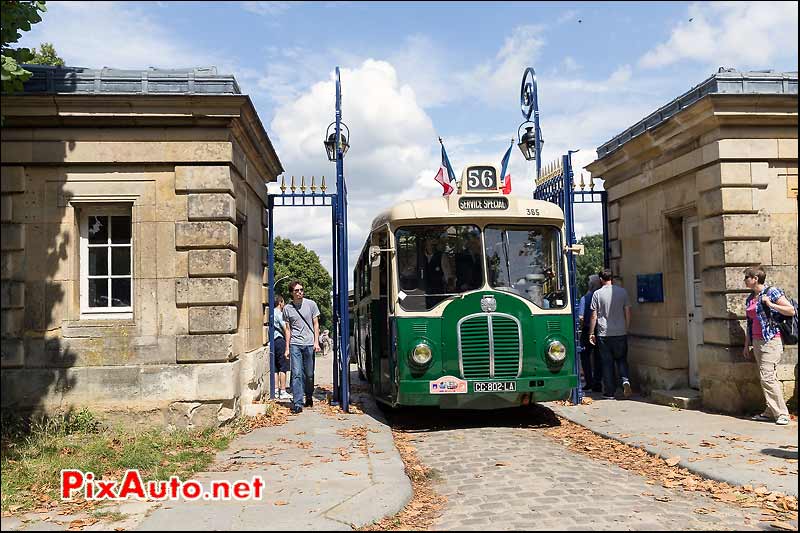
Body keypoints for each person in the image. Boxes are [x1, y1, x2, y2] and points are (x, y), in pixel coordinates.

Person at [742, 266, 794, 426]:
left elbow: (790, 310)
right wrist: (746, 344)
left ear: (755, 278)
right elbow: (750, 323)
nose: (744, 280)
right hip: (757, 342)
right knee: (767, 376)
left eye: (746, 277)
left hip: (771, 340)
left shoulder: (772, 292)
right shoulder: (750, 297)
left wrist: (770, 304)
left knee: (767, 377)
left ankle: (782, 413)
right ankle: (770, 411)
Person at [588, 268, 632, 399]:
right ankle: (625, 380)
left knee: (607, 363)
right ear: (612, 278)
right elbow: (628, 312)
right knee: (622, 360)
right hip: (620, 332)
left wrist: (591, 333)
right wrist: (626, 328)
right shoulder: (622, 292)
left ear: (601, 279)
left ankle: (610, 392)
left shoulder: (597, 294)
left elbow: (593, 316)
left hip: (604, 333)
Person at [283, 280, 321, 414]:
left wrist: (316, 342)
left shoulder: (311, 304)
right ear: (291, 293)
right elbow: (288, 329)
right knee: (297, 374)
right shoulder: (288, 308)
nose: (300, 292)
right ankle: (298, 403)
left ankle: (309, 395)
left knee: (309, 374)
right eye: (296, 291)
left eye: (301, 290)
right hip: (295, 345)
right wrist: (287, 348)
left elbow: (316, 324)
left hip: (309, 343)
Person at [578, 274, 603, 392]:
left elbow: (581, 317)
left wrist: (582, 327)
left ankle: (589, 381)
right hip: (600, 330)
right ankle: (598, 382)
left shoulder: (585, 298)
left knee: (585, 356)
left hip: (587, 330)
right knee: (598, 357)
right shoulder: (601, 296)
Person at [271, 295, 291, 400]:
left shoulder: (271, 313)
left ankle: (275, 390)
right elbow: (285, 328)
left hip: (273, 341)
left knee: (275, 368)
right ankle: (283, 391)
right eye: (283, 302)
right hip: (280, 341)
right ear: (280, 302)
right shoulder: (279, 314)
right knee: (283, 367)